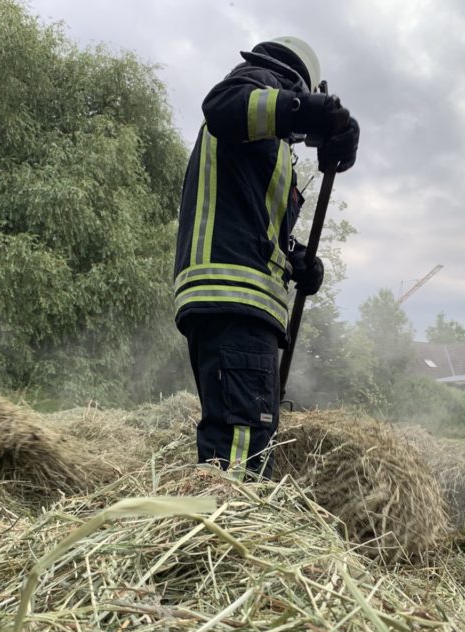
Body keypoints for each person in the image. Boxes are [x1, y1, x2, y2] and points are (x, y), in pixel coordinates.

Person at [173, 36, 359, 479]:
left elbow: (257, 229)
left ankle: (229, 534)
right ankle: (224, 542)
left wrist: (299, 262)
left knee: (248, 438)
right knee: (240, 453)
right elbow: (221, 104)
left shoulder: (265, 147)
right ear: (297, 83)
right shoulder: (255, 82)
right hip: (235, 295)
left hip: (238, 299)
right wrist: (308, 111)